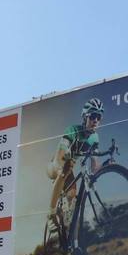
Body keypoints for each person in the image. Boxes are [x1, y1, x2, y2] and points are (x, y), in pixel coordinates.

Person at [47, 97, 104, 226]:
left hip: (69, 166)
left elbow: (95, 165)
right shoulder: (73, 130)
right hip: (55, 164)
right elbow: (60, 156)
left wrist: (105, 166)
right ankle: (51, 214)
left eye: (99, 117)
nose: (95, 120)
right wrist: (62, 168)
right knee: (64, 170)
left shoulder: (95, 138)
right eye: (93, 116)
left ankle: (65, 224)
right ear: (85, 117)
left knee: (72, 194)